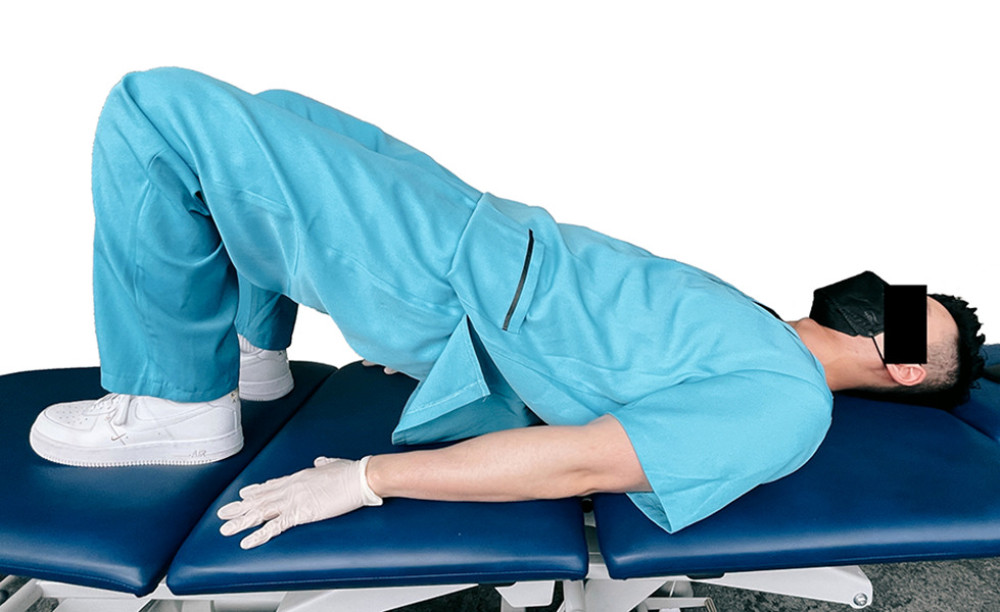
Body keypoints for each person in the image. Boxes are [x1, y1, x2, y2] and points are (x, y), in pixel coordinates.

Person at [28, 68, 985, 550]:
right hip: (485, 230)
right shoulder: (764, 326)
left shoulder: (788, 401)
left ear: (900, 366)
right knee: (276, 108)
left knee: (156, 108)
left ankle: (175, 408)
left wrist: (369, 480)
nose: (892, 298)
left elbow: (584, 457)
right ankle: (251, 357)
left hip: (459, 279)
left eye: (912, 316)